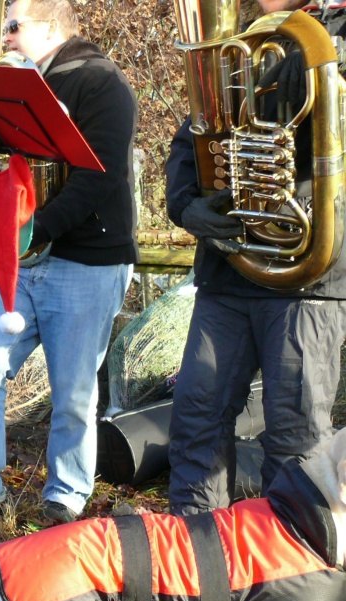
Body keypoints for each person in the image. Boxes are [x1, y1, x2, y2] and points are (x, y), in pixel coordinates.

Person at [0, 0, 138, 530]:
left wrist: (29, 231)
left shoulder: (102, 83)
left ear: (49, 26)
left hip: (85, 261)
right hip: (22, 258)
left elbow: (100, 178)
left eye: (13, 26)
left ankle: (65, 500)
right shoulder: (16, 85)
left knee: (72, 391)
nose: (3, 36)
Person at [165, 0, 346, 515]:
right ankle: (197, 568)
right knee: (196, 419)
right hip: (230, 269)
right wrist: (187, 206)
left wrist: (325, 61)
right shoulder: (242, 42)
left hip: (311, 275)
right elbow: (193, 135)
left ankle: (289, 580)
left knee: (296, 438)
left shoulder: (330, 34)